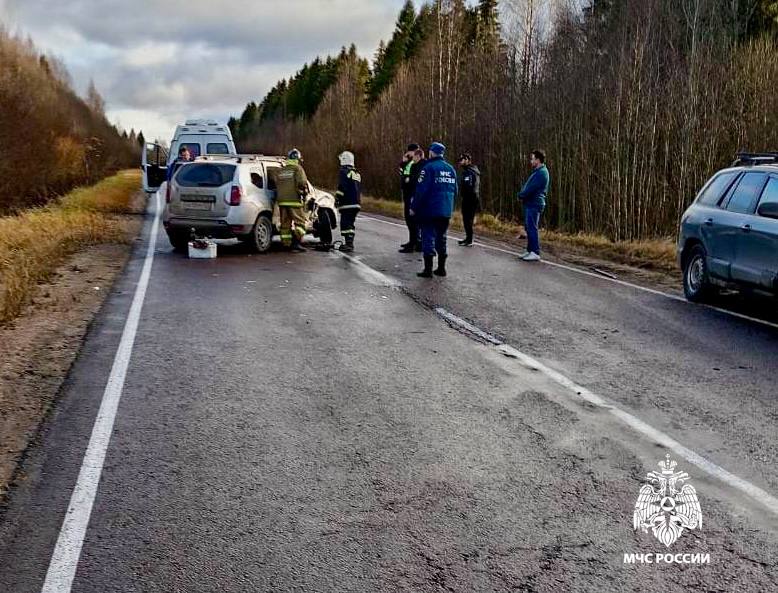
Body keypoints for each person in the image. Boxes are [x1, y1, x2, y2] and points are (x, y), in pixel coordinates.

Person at [410, 142, 458, 278]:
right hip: (445, 210)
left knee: (428, 237)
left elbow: (421, 191)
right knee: (441, 238)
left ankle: (428, 269)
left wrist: (414, 207)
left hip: (429, 210)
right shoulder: (451, 169)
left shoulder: (428, 168)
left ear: (431, 152)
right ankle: (441, 268)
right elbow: (455, 190)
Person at [518, 149, 550, 261]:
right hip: (531, 203)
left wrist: (521, 195)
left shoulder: (542, 173)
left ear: (538, 160)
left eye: (532, 159)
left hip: (535, 203)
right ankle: (529, 250)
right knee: (529, 227)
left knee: (532, 228)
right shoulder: (538, 171)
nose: (531, 161)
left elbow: (531, 188)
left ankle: (535, 252)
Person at [276, 148, 309, 251]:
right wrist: (304, 192)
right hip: (294, 200)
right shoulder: (297, 169)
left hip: (282, 201)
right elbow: (302, 182)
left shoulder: (282, 170)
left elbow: (277, 183)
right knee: (301, 223)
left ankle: (286, 244)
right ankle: (296, 243)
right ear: (297, 158)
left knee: (285, 224)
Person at [399, 144, 426, 253]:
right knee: (411, 220)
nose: (407, 153)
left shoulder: (417, 164)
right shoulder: (410, 162)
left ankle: (414, 243)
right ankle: (414, 242)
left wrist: (407, 179)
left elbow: (413, 179)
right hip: (408, 192)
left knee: (412, 220)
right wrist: (403, 163)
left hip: (412, 193)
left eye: (409, 152)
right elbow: (403, 173)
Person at [335, 150, 361, 253]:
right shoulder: (356, 173)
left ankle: (349, 244)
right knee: (350, 223)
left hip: (347, 203)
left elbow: (342, 187)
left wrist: (337, 198)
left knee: (345, 223)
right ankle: (350, 243)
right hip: (356, 203)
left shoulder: (344, 171)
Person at [457, 153, 481, 246]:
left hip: (470, 198)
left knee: (468, 219)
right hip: (470, 197)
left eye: (462, 160)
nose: (460, 162)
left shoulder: (470, 171)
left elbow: (469, 186)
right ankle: (468, 238)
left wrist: (465, 193)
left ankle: (469, 240)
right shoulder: (469, 170)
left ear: (467, 160)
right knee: (466, 219)